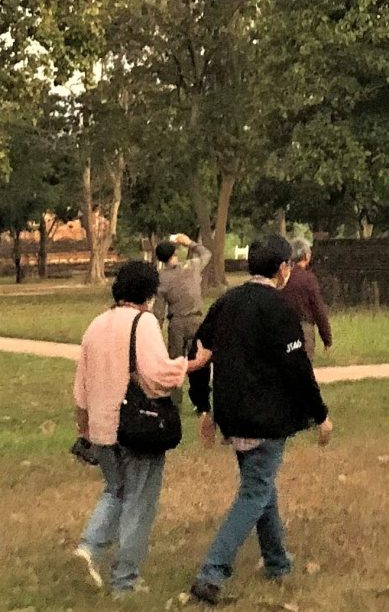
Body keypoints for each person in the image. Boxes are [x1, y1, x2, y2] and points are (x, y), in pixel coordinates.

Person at [185, 235, 333, 606]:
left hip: (232, 414)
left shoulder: (225, 303)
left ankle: (277, 562)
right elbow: (298, 368)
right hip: (265, 418)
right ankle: (211, 573)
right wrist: (320, 415)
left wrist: (203, 406)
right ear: (283, 268)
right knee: (254, 491)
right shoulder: (279, 309)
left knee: (261, 484)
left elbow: (197, 351)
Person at [72, 261, 188, 595]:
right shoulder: (144, 322)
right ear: (149, 293)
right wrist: (185, 365)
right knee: (139, 502)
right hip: (137, 428)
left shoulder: (97, 324)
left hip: (101, 429)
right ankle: (125, 580)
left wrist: (84, 430)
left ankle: (89, 547)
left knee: (116, 491)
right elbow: (157, 376)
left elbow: (80, 388)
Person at [152, 233, 212, 360]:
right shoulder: (191, 267)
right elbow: (206, 254)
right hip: (195, 319)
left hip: (176, 323)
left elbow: (159, 311)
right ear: (175, 253)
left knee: (175, 362)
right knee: (198, 359)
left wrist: (156, 333)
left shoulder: (161, 278)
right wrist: (189, 243)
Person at [278, 238, 333, 360]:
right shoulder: (308, 279)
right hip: (304, 331)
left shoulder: (281, 278)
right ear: (306, 256)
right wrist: (327, 338)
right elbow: (318, 310)